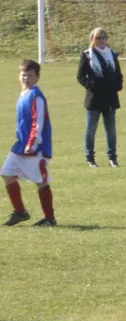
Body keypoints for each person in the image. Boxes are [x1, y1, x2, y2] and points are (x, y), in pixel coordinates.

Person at [2, 59, 56, 227]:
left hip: (35, 147)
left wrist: (33, 143)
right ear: (18, 76)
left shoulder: (36, 96)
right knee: (7, 173)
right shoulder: (23, 94)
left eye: (30, 75)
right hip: (21, 145)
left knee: (40, 181)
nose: (26, 78)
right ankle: (20, 212)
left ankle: (50, 219)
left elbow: (37, 122)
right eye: (23, 75)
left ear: (37, 77)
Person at [77, 27, 123, 168]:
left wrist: (118, 84)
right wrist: (91, 85)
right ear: (93, 40)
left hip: (110, 98)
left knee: (111, 129)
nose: (102, 40)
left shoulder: (112, 54)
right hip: (94, 98)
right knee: (91, 129)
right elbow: (80, 77)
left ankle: (112, 158)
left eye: (104, 37)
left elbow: (118, 73)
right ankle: (90, 158)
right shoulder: (87, 55)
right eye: (98, 38)